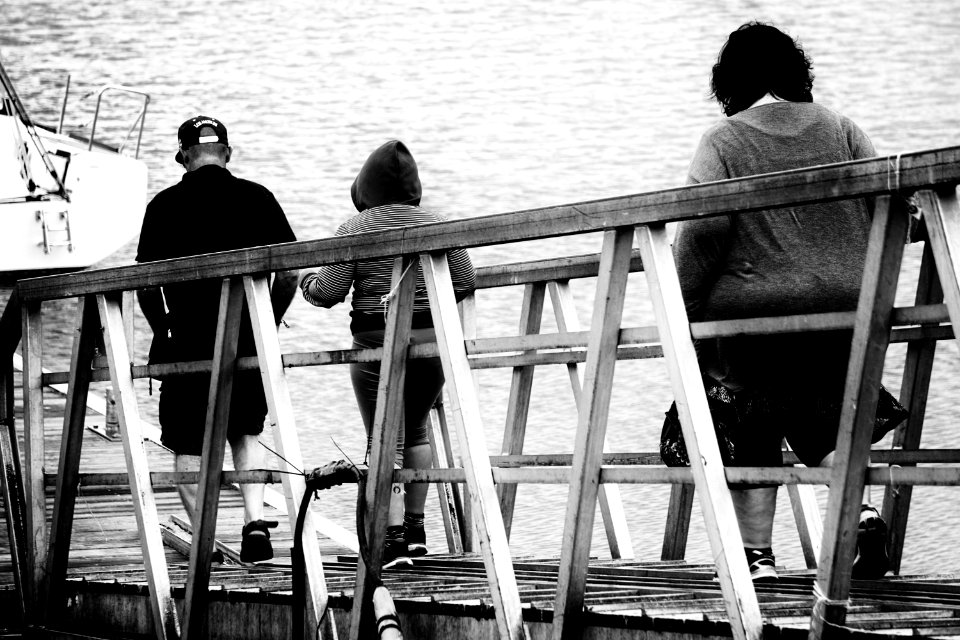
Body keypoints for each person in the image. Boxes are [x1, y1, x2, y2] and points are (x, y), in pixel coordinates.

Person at [673, 22, 891, 581]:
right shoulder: (844, 131)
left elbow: (701, 232)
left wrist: (684, 307)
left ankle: (758, 561)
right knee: (824, 421)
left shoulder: (724, 142)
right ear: (797, 73)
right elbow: (893, 213)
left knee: (748, 418)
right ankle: (861, 516)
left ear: (730, 83)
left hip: (753, 320)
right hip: (844, 312)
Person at [299, 140, 476, 568]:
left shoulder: (354, 229)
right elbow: (465, 280)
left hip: (377, 343)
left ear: (366, 188)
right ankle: (416, 532)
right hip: (431, 344)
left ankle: (391, 540)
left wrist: (304, 280)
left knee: (384, 438)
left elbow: (329, 292)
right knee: (415, 431)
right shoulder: (438, 223)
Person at [136, 115, 299, 563]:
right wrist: (268, 320)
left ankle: (204, 539)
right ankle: (254, 525)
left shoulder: (163, 206)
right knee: (246, 431)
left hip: (186, 345)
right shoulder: (258, 198)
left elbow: (146, 285)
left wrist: (162, 328)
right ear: (227, 153)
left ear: (182, 156)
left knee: (188, 444)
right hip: (247, 339)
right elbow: (289, 273)